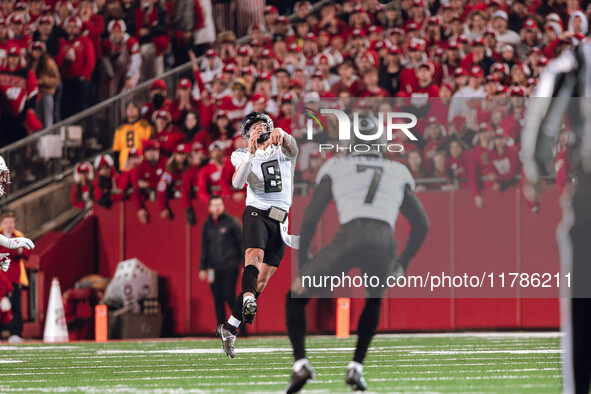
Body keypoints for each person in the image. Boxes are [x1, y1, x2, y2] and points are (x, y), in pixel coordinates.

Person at [285, 115, 429, 393]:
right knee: (373, 300)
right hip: (383, 242)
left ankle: (301, 363)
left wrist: (303, 262)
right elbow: (422, 224)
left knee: (295, 297)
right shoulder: (397, 171)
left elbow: (310, 218)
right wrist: (403, 262)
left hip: (349, 236)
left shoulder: (336, 166)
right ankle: (356, 367)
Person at [522, 40, 591, 394]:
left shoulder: (577, 60)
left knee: (582, 295)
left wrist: (537, 167)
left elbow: (545, 112)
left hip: (589, 186)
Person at [215, 112, 298, 358]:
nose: (258, 129)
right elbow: (237, 183)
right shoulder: (241, 154)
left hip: (280, 219)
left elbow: (293, 148)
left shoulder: (281, 146)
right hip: (257, 212)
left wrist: (283, 135)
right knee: (253, 255)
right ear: (246, 134)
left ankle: (230, 327)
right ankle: (248, 298)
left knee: (261, 280)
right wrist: (251, 153)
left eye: (263, 125)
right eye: (253, 127)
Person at [199, 196, 243, 325]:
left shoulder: (232, 222)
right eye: (214, 204)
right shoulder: (207, 226)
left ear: (224, 206)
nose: (217, 207)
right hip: (213, 268)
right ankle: (221, 327)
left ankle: (241, 327)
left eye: (219, 204)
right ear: (209, 208)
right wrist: (202, 267)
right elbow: (204, 247)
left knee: (230, 296)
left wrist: (245, 264)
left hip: (230, 265)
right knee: (217, 297)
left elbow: (241, 244)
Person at [0, 211, 32, 343]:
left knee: (15, 307)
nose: (9, 225)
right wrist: (14, 248)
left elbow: (25, 253)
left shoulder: (18, 236)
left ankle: (15, 333)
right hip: (1, 278)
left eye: (11, 222)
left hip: (14, 278)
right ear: (2, 223)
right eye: (6, 222)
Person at [112, 101, 153, 172]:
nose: (131, 109)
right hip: (124, 165)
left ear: (138, 110)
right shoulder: (120, 129)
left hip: (141, 163)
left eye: (134, 107)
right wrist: (117, 167)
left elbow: (148, 145)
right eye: (129, 107)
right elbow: (117, 150)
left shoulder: (145, 125)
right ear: (125, 111)